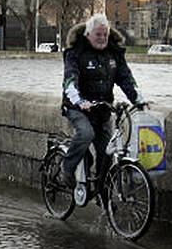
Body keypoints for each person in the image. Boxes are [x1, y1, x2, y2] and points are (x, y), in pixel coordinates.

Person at [60, 13, 146, 186]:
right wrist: (79, 101)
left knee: (106, 151)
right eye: (98, 34)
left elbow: (126, 79)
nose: (102, 38)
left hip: (102, 110)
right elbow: (70, 80)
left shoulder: (114, 54)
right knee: (86, 133)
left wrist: (139, 100)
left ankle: (102, 195)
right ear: (88, 34)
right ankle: (67, 167)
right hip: (77, 107)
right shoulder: (76, 53)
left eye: (105, 35)